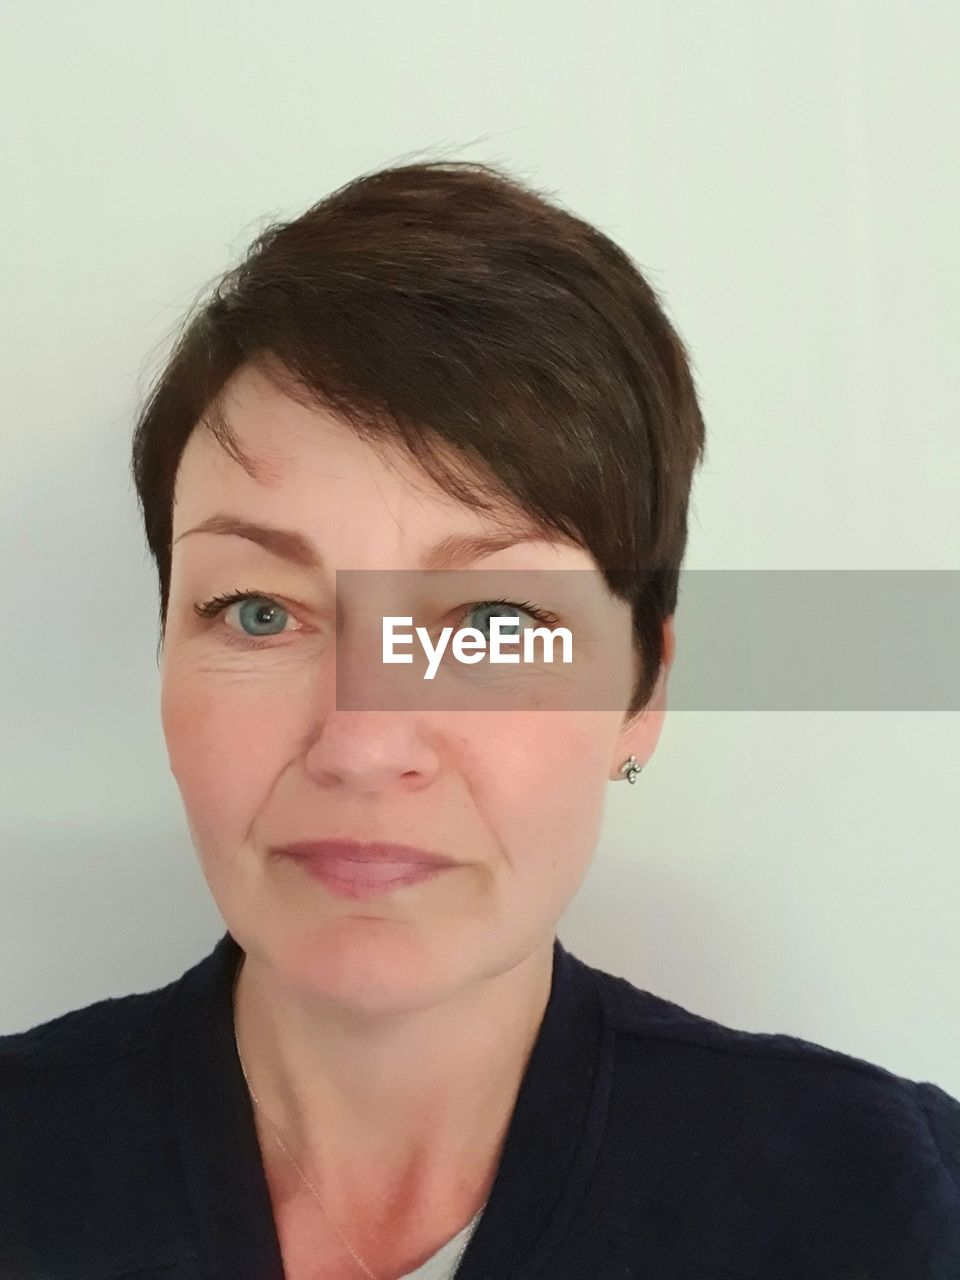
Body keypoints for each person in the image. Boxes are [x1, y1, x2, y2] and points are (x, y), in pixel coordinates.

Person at [2, 160, 957, 1280]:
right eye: (259, 611)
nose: (362, 744)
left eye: (494, 620)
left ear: (641, 691)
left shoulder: (877, 1202)